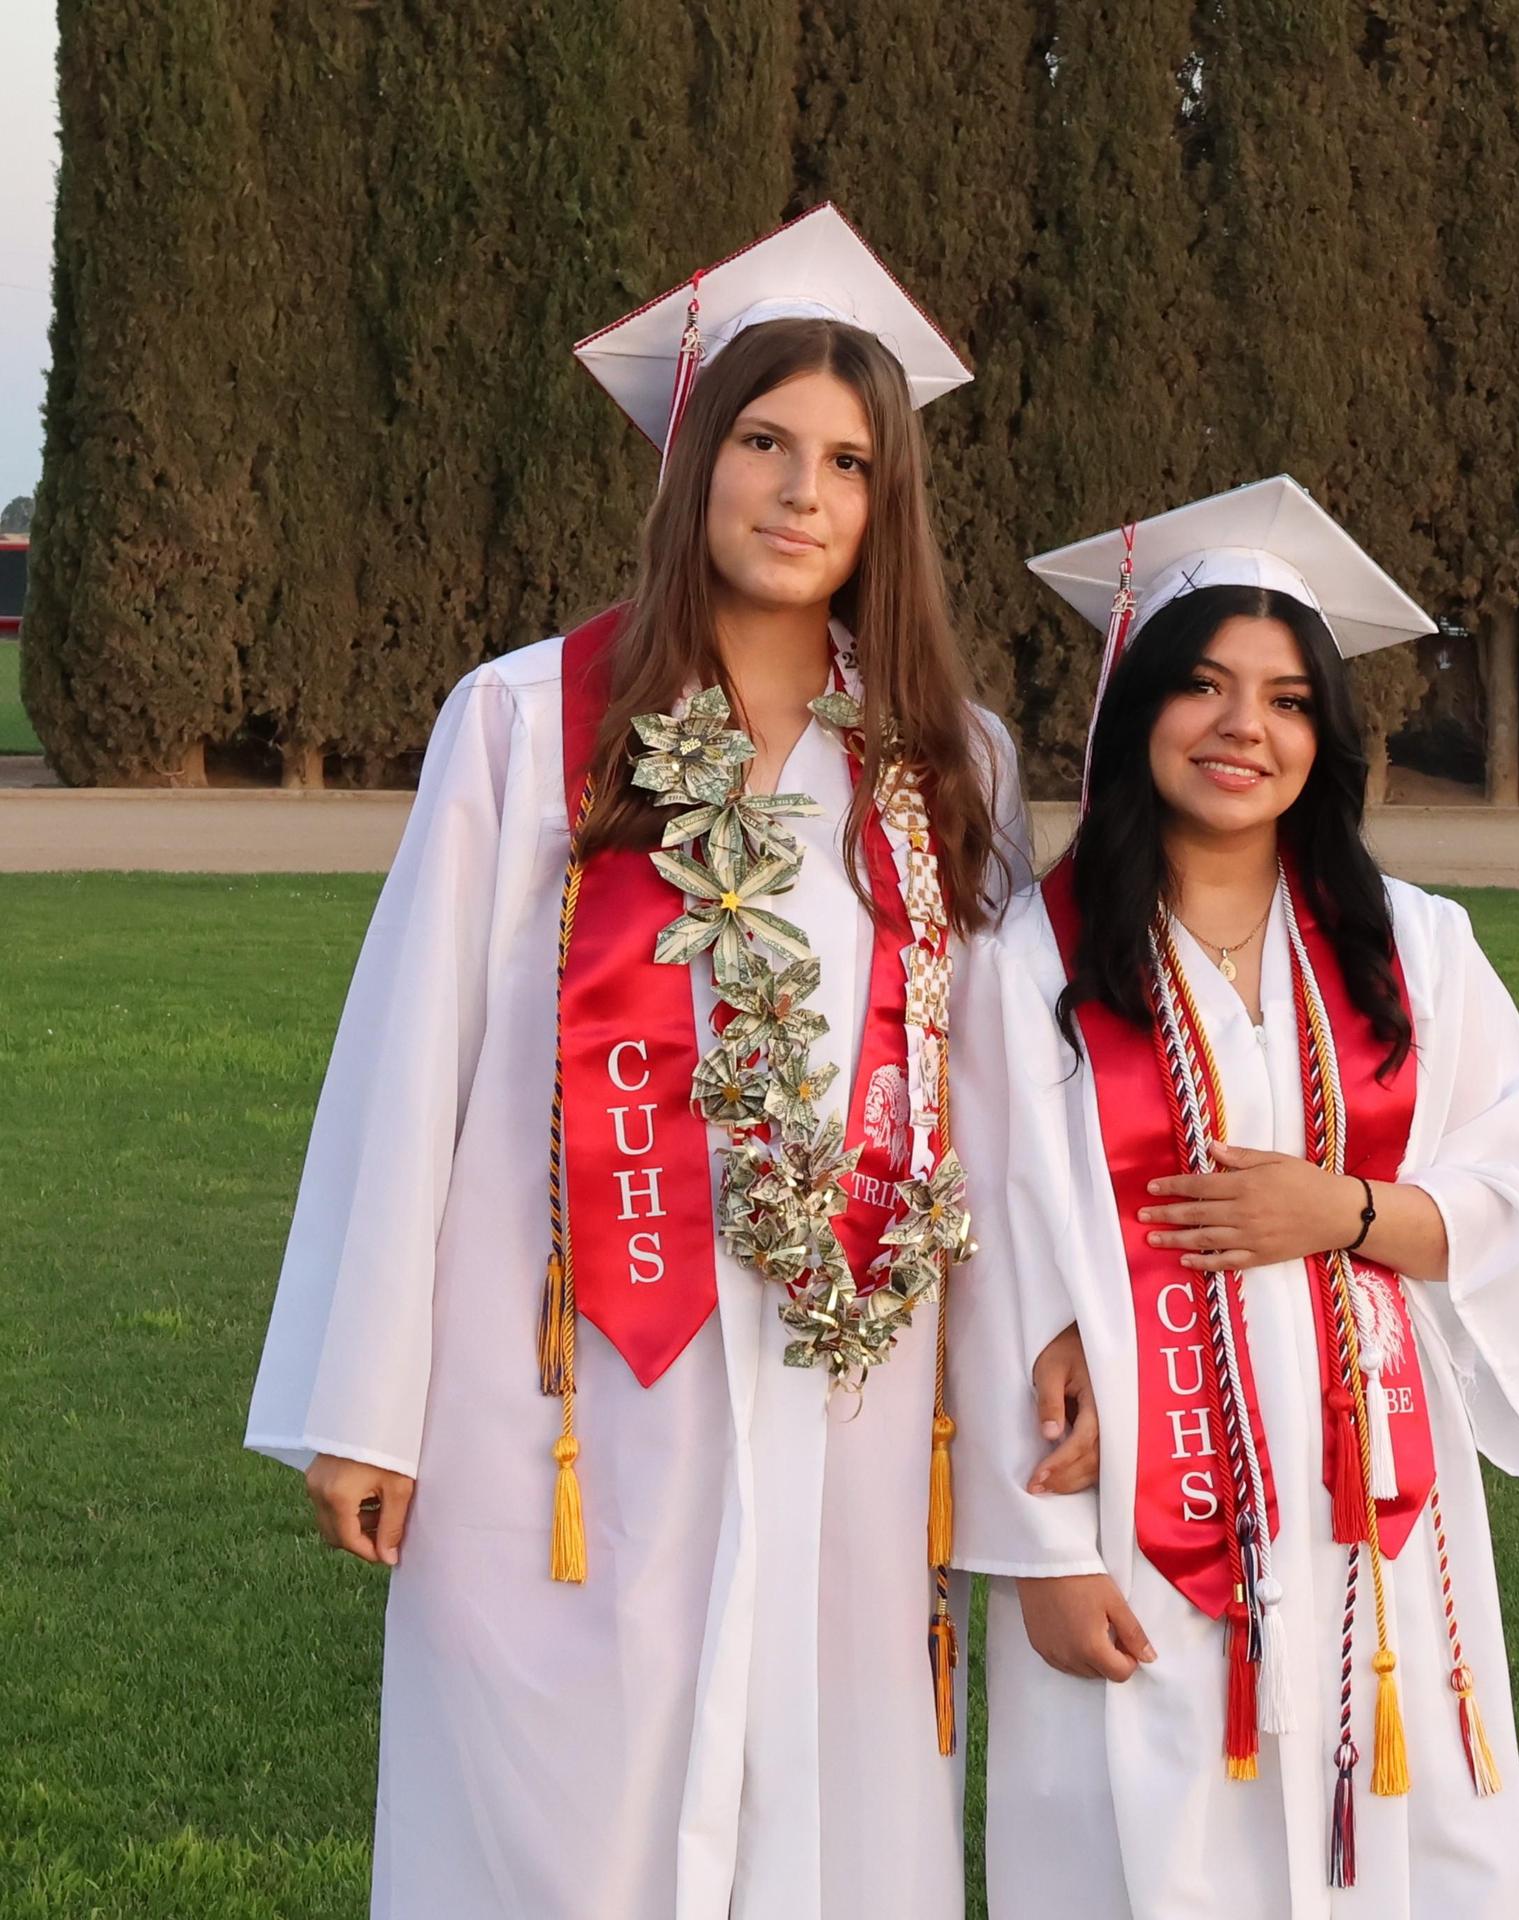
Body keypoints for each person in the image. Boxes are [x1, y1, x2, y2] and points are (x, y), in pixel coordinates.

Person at [246, 204, 1055, 1920]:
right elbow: (410, 1062)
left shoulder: (944, 761)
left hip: (850, 1371)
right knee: (559, 1786)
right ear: (694, 462)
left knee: (821, 1790)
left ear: (882, 505)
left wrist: (1029, 1378)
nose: (801, 491)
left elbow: (999, 1107)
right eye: (763, 441)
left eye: (846, 460)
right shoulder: (529, 719)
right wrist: (362, 1402)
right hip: (569, 1379)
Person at [948, 475, 1519, 1918]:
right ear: (1136, 709)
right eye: (1207, 688)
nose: (1247, 728)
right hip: (1126, 1517)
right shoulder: (1024, 965)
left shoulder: (1412, 948)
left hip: (1372, 1523)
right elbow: (973, 1261)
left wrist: (1342, 1212)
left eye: (1290, 700)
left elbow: (1516, 1193)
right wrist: (1036, 1555)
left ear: (1326, 738)